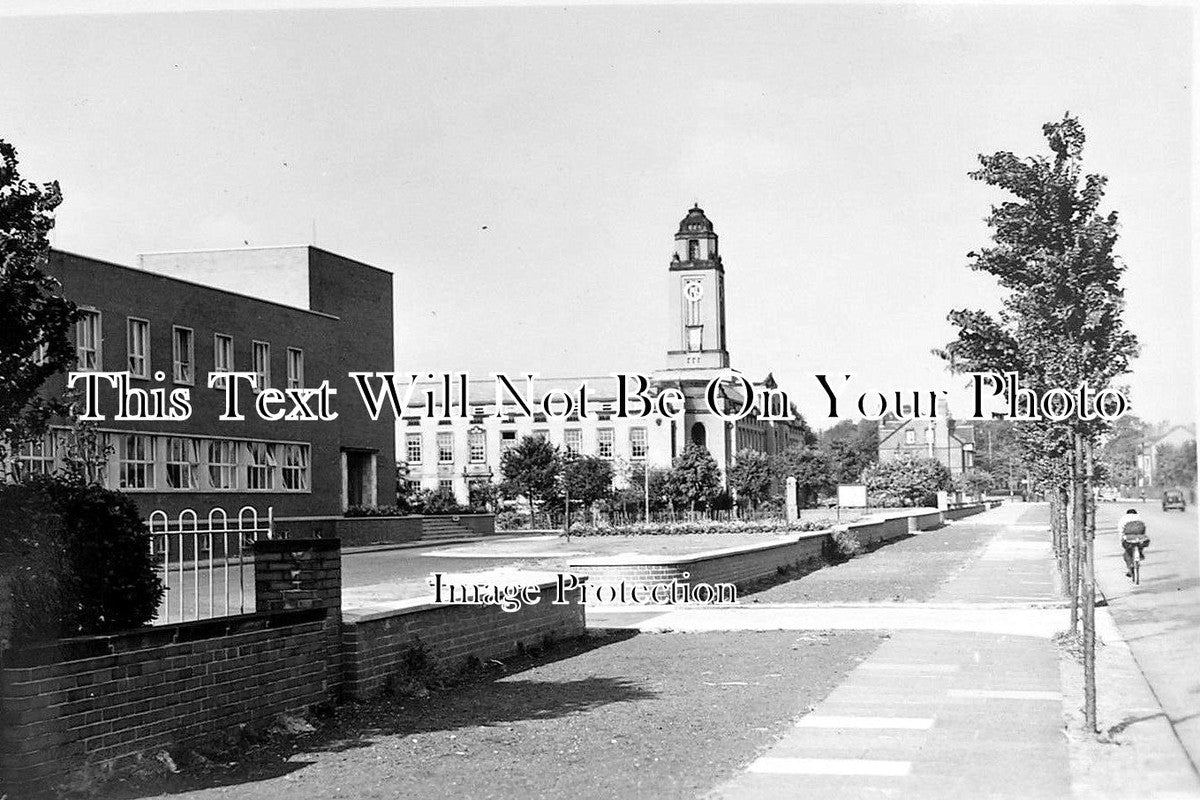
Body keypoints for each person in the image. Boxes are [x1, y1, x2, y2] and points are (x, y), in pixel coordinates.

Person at [1120, 508, 1149, 577]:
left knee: (1127, 553)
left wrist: (1122, 539)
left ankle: (1130, 568)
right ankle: (1140, 553)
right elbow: (1143, 528)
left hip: (1129, 538)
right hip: (1140, 537)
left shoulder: (1123, 519)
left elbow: (1120, 530)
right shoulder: (1139, 517)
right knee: (1140, 545)